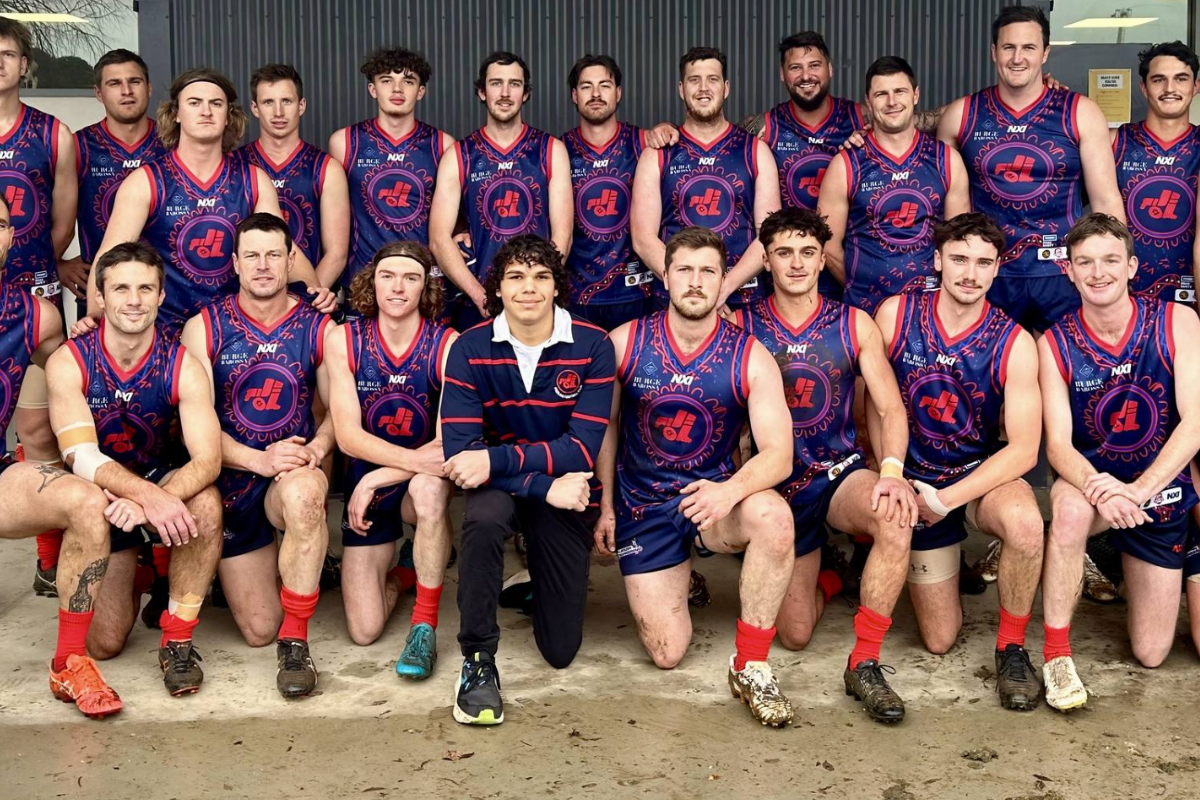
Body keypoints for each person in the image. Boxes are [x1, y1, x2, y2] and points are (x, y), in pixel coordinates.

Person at [598, 226, 795, 726]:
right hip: (644, 505)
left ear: (723, 279)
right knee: (667, 653)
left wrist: (730, 491)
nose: (695, 281)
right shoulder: (624, 342)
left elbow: (779, 456)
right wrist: (605, 506)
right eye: (684, 269)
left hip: (713, 501)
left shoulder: (749, 354)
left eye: (708, 271)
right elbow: (606, 430)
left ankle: (751, 664)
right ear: (665, 276)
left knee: (773, 516)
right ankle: (683, 578)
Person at [735, 207, 917, 722]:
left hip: (836, 474)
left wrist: (892, 472)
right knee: (794, 635)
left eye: (808, 253)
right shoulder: (742, 323)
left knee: (893, 515)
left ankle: (865, 662)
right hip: (774, 484)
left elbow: (888, 406)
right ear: (766, 261)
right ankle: (834, 579)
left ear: (822, 259)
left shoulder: (853, 323)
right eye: (784, 253)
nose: (796, 264)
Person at [439, 234, 613, 724]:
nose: (529, 288)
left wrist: (495, 462)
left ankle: (530, 583)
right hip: (534, 489)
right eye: (516, 277)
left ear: (557, 286)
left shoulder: (593, 344)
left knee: (560, 650)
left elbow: (582, 448)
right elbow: (460, 456)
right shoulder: (469, 348)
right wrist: (542, 483)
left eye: (541, 276)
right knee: (485, 517)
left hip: (565, 491)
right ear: (497, 289)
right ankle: (477, 660)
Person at [874, 213, 1045, 710]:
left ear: (997, 270)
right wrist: (889, 472)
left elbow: (1024, 449)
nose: (970, 273)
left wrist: (946, 500)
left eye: (983, 263)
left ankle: (1012, 649)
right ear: (937, 261)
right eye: (959, 259)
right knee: (940, 638)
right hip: (911, 478)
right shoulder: (895, 315)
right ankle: (896, 559)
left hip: (971, 482)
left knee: (1027, 525)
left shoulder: (1014, 341)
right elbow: (872, 404)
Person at [45, 241, 223, 697]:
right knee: (104, 643)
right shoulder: (70, 359)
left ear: (162, 296)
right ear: (100, 297)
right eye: (121, 288)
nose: (134, 299)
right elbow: (78, 455)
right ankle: (147, 570)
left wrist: (154, 498)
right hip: (103, 497)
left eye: (146, 288)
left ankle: (177, 641)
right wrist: (141, 498)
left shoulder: (183, 363)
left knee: (205, 501)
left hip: (163, 486)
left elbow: (207, 458)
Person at [1039, 212, 1200, 711]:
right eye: (1084, 262)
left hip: (1158, 488)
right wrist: (1101, 488)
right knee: (1064, 512)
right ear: (1068, 270)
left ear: (1132, 265)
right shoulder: (1053, 342)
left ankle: (1174, 554)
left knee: (1152, 653)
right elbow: (1058, 446)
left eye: (1110, 260)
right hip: (1095, 483)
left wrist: (1139, 491)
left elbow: (1194, 423)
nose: (1098, 272)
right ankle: (1056, 656)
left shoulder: (1177, 320)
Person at [179, 213, 333, 698]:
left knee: (307, 495)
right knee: (257, 629)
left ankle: (297, 642)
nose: (263, 266)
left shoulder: (320, 327)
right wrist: (257, 459)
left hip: (288, 475)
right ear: (235, 264)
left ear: (291, 261)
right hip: (233, 479)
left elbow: (338, 414)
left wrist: (314, 450)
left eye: (274, 255)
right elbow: (196, 430)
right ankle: (241, 574)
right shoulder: (202, 328)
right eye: (252, 256)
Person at [85, 68, 332, 341]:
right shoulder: (145, 181)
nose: (206, 111)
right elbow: (109, 259)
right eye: (194, 103)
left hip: (235, 333)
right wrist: (94, 322)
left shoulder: (253, 180)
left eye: (216, 104)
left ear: (228, 116)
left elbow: (283, 249)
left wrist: (314, 295)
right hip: (165, 332)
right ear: (176, 113)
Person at [937, 6, 1123, 333]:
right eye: (1008, 47)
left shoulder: (1081, 112)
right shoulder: (960, 115)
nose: (1017, 58)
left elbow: (1106, 202)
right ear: (994, 52)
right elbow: (950, 207)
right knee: (988, 375)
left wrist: (1114, 271)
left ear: (1046, 53)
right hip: (990, 273)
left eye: (1029, 48)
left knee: (1071, 373)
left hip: (1063, 272)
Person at [325, 241, 456, 678]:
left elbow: (445, 446)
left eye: (411, 278)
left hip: (412, 480)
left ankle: (424, 624)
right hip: (376, 482)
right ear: (372, 282)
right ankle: (404, 571)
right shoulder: (343, 338)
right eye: (388, 276)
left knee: (429, 490)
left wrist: (376, 477)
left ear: (426, 288)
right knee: (364, 630)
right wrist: (373, 478)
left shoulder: (446, 344)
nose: (398, 287)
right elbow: (346, 436)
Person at [429, 52, 571, 330]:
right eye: (496, 83)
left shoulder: (551, 149)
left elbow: (562, 234)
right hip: (477, 302)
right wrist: (479, 295)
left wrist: (539, 291)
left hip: (536, 304)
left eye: (514, 84)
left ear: (525, 94)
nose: (505, 93)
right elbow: (438, 238)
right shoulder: (459, 154)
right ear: (482, 92)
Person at [0, 17, 78, 521]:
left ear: (24, 65)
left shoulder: (52, 134)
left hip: (34, 297)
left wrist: (24, 272)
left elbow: (61, 221)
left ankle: (49, 559)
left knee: (42, 426)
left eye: (6, 53)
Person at [631, 47, 780, 311]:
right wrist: (687, 285)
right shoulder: (657, 154)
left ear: (726, 88)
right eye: (693, 80)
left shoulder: (755, 151)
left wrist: (722, 289)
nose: (703, 88)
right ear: (681, 89)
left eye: (712, 79)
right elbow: (643, 238)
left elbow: (768, 234)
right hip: (675, 302)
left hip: (741, 300)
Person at [819, 56, 970, 314]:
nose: (891, 102)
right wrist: (861, 285)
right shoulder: (845, 164)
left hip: (930, 311)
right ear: (868, 102)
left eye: (899, 91)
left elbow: (960, 242)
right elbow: (827, 243)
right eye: (881, 94)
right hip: (866, 311)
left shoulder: (947, 160)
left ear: (915, 95)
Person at [329, 49, 452, 295]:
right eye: (387, 80)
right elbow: (333, 220)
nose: (397, 89)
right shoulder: (344, 142)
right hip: (363, 280)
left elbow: (454, 216)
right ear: (373, 89)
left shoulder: (443, 145)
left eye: (408, 81)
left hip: (424, 282)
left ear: (420, 92)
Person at [760, 31, 865, 301]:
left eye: (814, 65)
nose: (806, 76)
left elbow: (908, 119)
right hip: (788, 270)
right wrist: (666, 130)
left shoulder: (862, 118)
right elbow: (712, 135)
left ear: (829, 69)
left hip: (847, 266)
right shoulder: (763, 127)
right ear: (783, 74)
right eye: (795, 67)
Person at [561, 54, 652, 330]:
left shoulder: (646, 143)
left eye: (605, 85)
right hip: (577, 297)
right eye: (587, 86)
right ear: (575, 95)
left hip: (638, 293)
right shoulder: (558, 150)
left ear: (619, 92)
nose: (596, 94)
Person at [240, 63, 349, 290]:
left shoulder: (326, 168)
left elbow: (336, 254)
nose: (278, 112)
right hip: (249, 300)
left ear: (301, 105)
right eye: (268, 102)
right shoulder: (235, 165)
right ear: (255, 107)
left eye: (286, 101)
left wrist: (306, 302)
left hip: (308, 299)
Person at [1112, 41, 1200, 303]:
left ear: (1196, 87)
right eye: (1159, 79)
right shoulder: (1114, 141)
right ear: (1144, 87)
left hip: (1191, 299)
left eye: (1181, 79)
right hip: (1124, 299)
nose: (1170, 89)